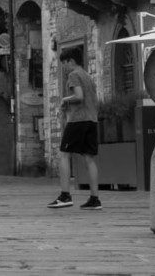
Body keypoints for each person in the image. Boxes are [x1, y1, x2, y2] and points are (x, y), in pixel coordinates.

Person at [48, 47, 102, 210]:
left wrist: (65, 99)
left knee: (64, 155)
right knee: (89, 158)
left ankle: (65, 196)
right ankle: (94, 199)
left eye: (64, 63)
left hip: (78, 120)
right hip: (92, 119)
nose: (63, 67)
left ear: (71, 61)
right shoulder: (88, 76)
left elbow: (79, 96)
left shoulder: (73, 75)